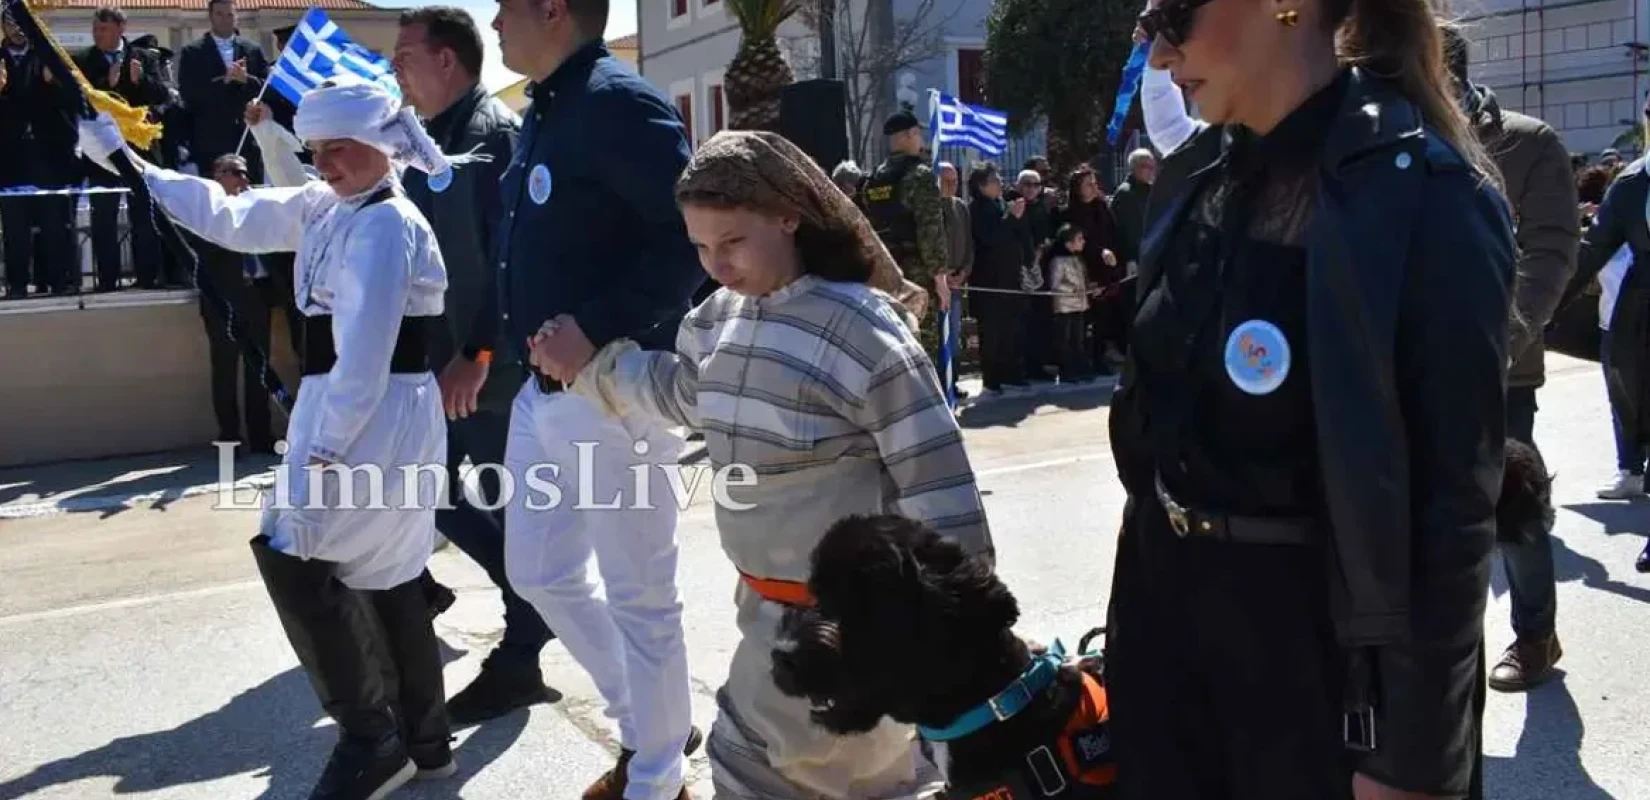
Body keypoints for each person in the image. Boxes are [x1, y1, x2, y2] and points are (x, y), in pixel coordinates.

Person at [1111, 0, 1515, 798]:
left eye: (1174, 15)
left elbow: (1452, 509)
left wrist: (1412, 762)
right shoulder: (1195, 178)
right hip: (1164, 644)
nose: (1159, 54)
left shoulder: (1428, 197)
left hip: (1317, 681)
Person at [552, 128, 990, 800]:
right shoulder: (713, 322)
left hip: (855, 641)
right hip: (762, 633)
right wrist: (595, 369)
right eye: (700, 247)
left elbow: (941, 488)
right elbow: (688, 394)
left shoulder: (861, 329)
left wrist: (953, 646)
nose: (717, 264)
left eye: (732, 242)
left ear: (789, 214)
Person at [78, 76, 466, 800]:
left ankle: (371, 741)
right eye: (318, 150)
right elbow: (228, 214)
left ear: (383, 146)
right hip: (361, 405)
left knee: (297, 550)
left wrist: (324, 448)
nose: (325, 164)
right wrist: (127, 162)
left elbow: (366, 353)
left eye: (341, 150)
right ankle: (423, 742)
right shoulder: (328, 204)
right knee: (382, 570)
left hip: (371, 409)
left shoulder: (386, 223)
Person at [457, 0, 708, 796]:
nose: (494, 23)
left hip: (615, 392)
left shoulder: (615, 102)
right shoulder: (549, 110)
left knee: (640, 593)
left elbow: (689, 238)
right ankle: (651, 724)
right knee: (538, 571)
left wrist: (596, 330)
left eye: (504, 9)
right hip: (545, 393)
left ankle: (658, 775)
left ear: (553, 11)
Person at [391, 4, 560, 725]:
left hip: (485, 371)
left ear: (447, 62)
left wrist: (480, 352)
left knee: (501, 507)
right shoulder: (432, 140)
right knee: (427, 490)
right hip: (445, 364)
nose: (394, 72)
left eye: (404, 58)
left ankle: (525, 640)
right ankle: (526, 607)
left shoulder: (491, 140)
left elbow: (513, 258)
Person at [1440, 27, 1581, 695]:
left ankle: (1535, 635)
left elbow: (1552, 251)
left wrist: (1498, 339)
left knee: (1510, 505)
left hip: (1500, 364)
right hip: (1408, 364)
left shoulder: (1527, 145)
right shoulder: (1386, 143)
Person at [1562, 97, 1650, 575]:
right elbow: (1594, 248)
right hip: (1639, 302)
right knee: (1628, 386)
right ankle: (1632, 466)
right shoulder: (1633, 184)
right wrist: (1543, 303)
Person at [77, 6, 173, 292]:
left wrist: (139, 80)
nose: (97, 34)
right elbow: (81, 100)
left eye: (103, 29)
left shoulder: (143, 57)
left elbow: (162, 97)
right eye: (95, 29)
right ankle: (107, 280)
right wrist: (108, 83)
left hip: (139, 148)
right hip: (102, 150)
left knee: (144, 214)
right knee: (103, 215)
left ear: (121, 28)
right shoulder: (84, 61)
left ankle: (147, 277)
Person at [195, 152, 277, 455]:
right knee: (225, 370)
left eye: (244, 173)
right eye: (234, 172)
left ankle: (261, 435)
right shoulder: (206, 213)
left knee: (259, 370)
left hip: (256, 296)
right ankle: (229, 438)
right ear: (218, 177)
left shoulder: (256, 208)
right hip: (223, 302)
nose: (243, 179)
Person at [0, 8, 80, 298]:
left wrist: (54, 83)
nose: (17, 30)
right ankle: (17, 283)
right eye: (11, 24)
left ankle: (59, 280)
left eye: (22, 24)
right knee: (15, 227)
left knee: (53, 222)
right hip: (9, 156)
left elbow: (74, 98)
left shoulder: (48, 55)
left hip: (47, 154)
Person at [860, 109, 940, 325]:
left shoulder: (873, 179)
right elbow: (930, 229)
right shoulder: (920, 175)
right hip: (916, 273)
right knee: (921, 334)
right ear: (909, 135)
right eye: (918, 134)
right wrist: (939, 276)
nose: (921, 140)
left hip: (884, 270)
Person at [178, 0, 269, 180]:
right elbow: (188, 94)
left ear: (236, 18)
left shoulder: (252, 50)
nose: (225, 19)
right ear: (210, 16)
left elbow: (267, 88)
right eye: (219, 14)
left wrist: (246, 79)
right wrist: (224, 80)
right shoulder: (192, 52)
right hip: (210, 142)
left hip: (248, 140)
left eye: (230, 15)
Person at [967, 161, 1032, 394]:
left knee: (1011, 328)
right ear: (982, 186)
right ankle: (992, 376)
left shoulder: (999, 204)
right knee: (992, 331)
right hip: (990, 280)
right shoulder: (977, 209)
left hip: (1009, 277)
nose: (1000, 183)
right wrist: (1011, 218)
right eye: (994, 180)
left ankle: (1011, 372)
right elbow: (990, 239)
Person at [937, 161, 973, 400]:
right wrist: (942, 275)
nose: (952, 186)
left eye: (955, 182)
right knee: (939, 337)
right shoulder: (929, 209)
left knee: (954, 337)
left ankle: (953, 380)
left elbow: (969, 244)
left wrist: (963, 273)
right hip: (939, 284)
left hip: (957, 283)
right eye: (946, 181)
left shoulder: (961, 208)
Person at [1042, 223, 1094, 383]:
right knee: (1065, 340)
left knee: (1078, 339)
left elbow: (1083, 279)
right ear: (1068, 242)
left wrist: (1089, 286)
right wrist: (1072, 289)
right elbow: (1055, 284)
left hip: (1079, 305)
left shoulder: (1078, 259)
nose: (1083, 241)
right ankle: (1067, 371)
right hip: (1064, 306)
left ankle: (1081, 368)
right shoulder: (1058, 261)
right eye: (1079, 239)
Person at [1109, 149, 1156, 275]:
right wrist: (1130, 258)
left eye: (1153, 166)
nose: (1152, 170)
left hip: (1150, 256)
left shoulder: (1150, 190)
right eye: (1147, 166)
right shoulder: (1126, 193)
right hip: (1133, 261)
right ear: (1135, 167)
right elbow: (1125, 230)